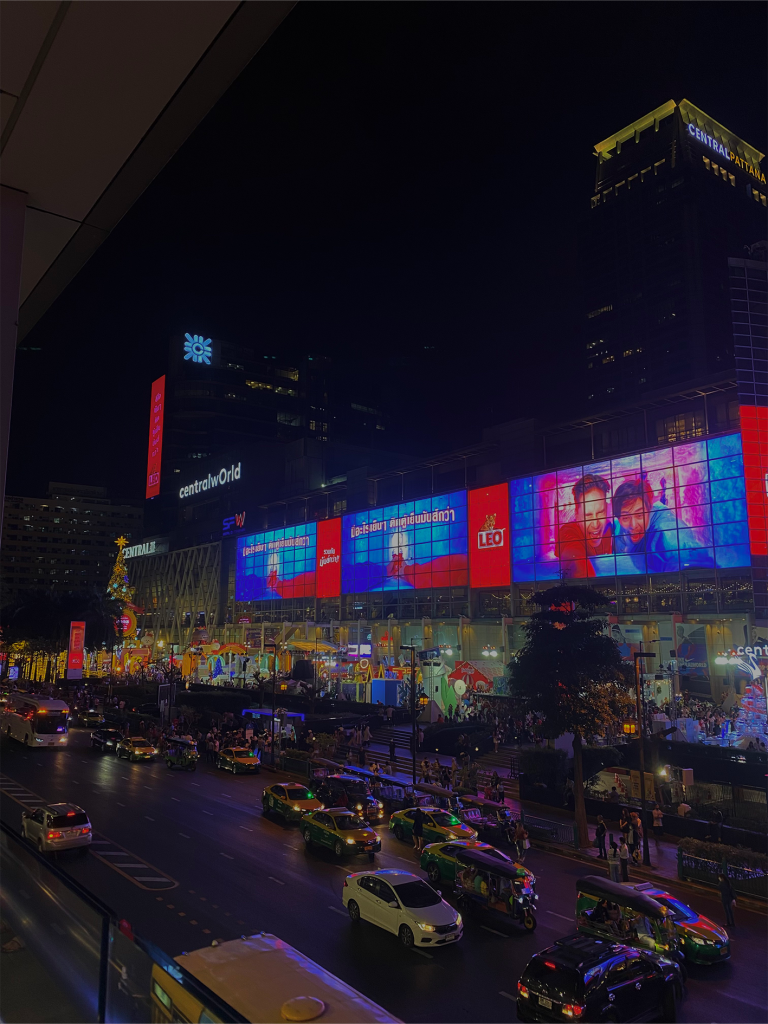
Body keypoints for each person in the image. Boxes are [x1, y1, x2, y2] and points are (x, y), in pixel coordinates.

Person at [556, 472, 613, 578]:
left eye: (601, 512)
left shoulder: (609, 527)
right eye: (588, 515)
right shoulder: (567, 531)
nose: (596, 524)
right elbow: (574, 556)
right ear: (577, 514)